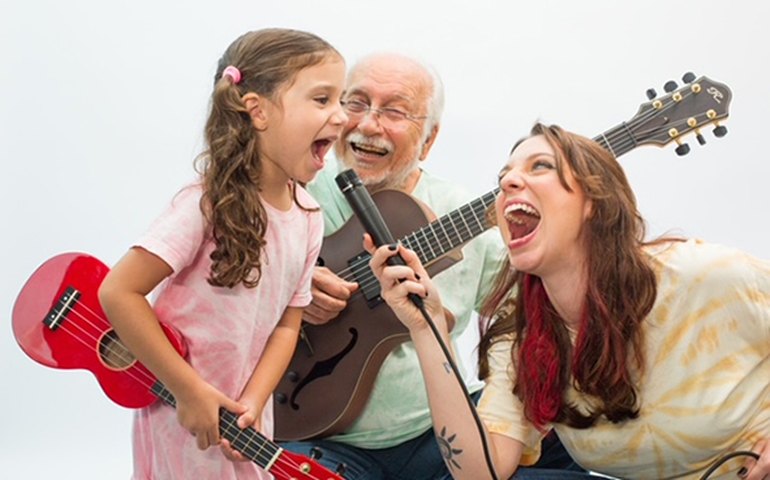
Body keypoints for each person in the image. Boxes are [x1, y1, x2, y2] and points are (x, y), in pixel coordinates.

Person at [367, 122, 770, 479]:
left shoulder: (703, 276)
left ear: (594, 201)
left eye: (539, 166)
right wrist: (428, 327)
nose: (507, 183)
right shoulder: (524, 331)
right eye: (504, 175)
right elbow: (480, 472)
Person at [280, 54, 581, 479]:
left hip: (436, 437)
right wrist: (287, 284)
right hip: (314, 433)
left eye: (394, 111)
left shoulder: (457, 211)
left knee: (583, 442)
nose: (368, 125)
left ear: (429, 139)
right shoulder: (292, 188)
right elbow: (220, 276)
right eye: (356, 103)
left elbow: (531, 313)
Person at [97, 28, 347, 479]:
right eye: (323, 99)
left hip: (247, 417)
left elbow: (288, 325)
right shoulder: (204, 204)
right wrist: (189, 391)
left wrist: (254, 400)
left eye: (340, 100)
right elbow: (119, 291)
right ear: (258, 111)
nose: (341, 116)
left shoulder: (310, 216)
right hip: (181, 413)